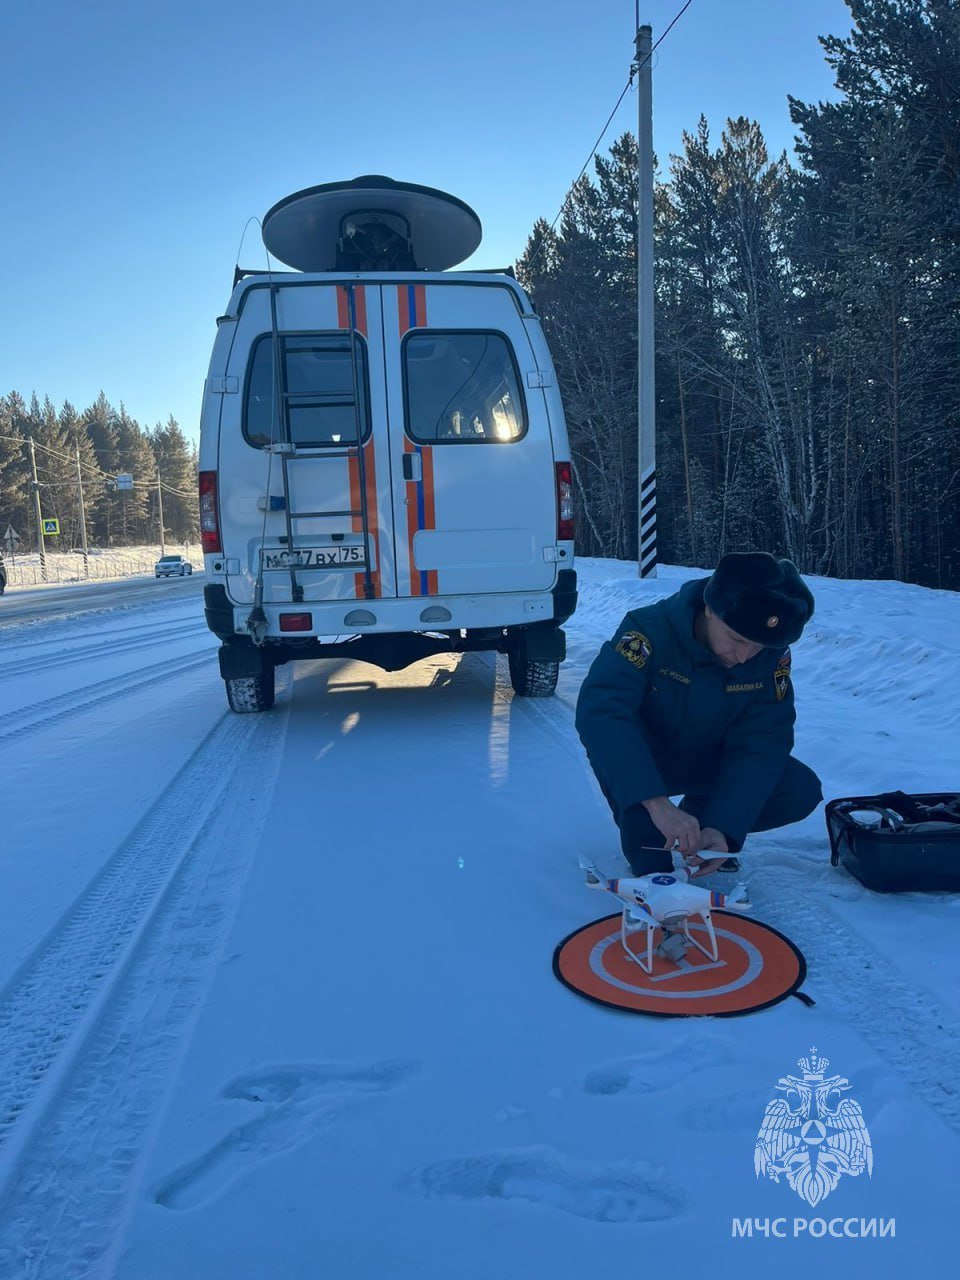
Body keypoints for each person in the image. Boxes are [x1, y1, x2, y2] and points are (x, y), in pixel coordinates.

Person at [575, 552, 821, 877]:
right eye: (736, 638)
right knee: (651, 864)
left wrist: (723, 826)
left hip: (708, 758)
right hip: (642, 760)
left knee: (798, 789)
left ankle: (699, 822)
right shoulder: (648, 631)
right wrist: (653, 801)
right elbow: (601, 711)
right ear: (709, 608)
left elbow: (762, 744)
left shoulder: (770, 654)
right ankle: (654, 820)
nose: (746, 656)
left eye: (757, 646)